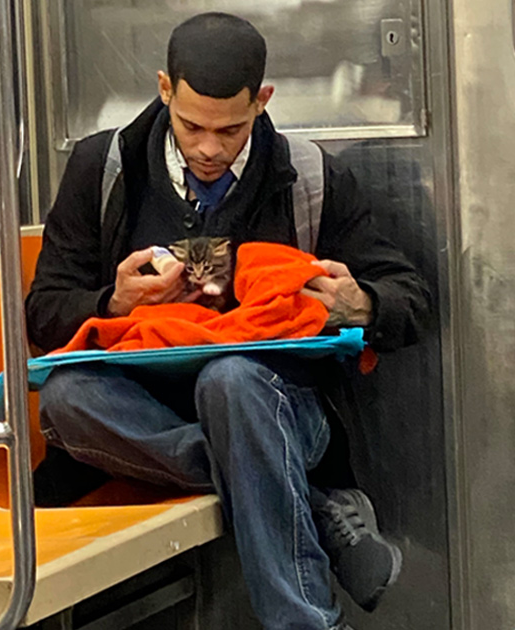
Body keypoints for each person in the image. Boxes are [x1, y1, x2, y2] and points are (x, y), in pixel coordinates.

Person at [26, 13, 430, 630]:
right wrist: (114, 304)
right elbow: (44, 312)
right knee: (64, 398)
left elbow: (410, 296)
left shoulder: (313, 178)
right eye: (192, 126)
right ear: (164, 89)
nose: (209, 148)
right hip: (141, 411)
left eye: (232, 129)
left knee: (232, 380)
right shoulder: (101, 168)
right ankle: (314, 505)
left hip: (277, 402)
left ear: (262, 102)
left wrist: (358, 303)